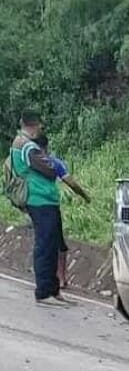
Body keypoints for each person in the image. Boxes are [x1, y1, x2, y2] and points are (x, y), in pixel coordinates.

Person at [10, 112, 73, 307]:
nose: (40, 129)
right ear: (34, 125)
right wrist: (57, 166)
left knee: (52, 244)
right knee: (45, 245)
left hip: (46, 199)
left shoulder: (22, 143)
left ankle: (53, 290)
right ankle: (44, 292)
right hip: (38, 199)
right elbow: (49, 168)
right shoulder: (27, 146)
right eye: (39, 126)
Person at [34, 134, 91, 290]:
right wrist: (85, 196)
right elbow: (71, 183)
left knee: (43, 241)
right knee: (59, 243)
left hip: (34, 206)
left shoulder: (30, 163)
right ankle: (61, 277)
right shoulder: (54, 163)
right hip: (50, 205)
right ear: (46, 146)